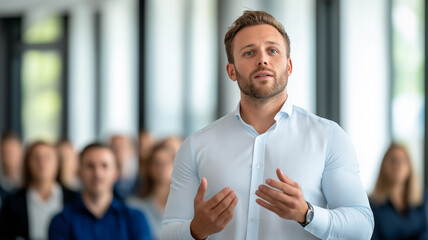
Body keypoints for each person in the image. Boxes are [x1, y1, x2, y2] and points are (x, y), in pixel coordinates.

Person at [161, 10, 374, 240]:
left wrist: (307, 214)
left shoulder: (328, 137)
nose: (262, 59)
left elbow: (362, 227)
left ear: (289, 66)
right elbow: (168, 232)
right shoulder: (196, 146)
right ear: (231, 71)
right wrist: (195, 230)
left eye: (272, 50)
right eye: (249, 52)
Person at [48, 143, 151, 240]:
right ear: (78, 172)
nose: (97, 173)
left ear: (116, 173)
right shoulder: (62, 221)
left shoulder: (135, 219)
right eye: (90, 166)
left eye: (104, 166)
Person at [0, 141, 79, 240]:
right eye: (36, 158)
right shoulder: (12, 201)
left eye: (48, 158)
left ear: (58, 163)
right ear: (28, 163)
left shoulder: (74, 199)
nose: (42, 163)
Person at [370, 143, 428, 240]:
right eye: (393, 160)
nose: (398, 165)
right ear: (383, 165)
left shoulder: (422, 197)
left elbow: (425, 232)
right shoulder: (372, 204)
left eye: (403, 160)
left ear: (410, 166)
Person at [129, 142, 175, 240]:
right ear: (149, 167)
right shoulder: (135, 205)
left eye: (166, 163)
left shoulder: (187, 206)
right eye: (156, 163)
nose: (162, 168)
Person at [110, 134, 139, 199]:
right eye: (114, 147)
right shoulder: (105, 179)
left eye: (123, 147)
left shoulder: (141, 180)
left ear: (133, 150)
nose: (118, 151)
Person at [0, 131, 24, 203]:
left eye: (12, 152)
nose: (9, 157)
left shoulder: (30, 183)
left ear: (21, 152)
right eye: (5, 152)